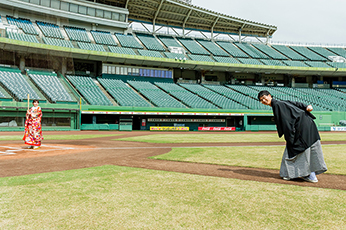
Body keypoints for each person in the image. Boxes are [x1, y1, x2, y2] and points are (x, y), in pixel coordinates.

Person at [258, 90, 327, 183]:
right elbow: (295, 103)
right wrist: (306, 106)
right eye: (261, 100)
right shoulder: (280, 102)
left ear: (269, 96)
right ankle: (306, 174)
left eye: (264, 97)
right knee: (307, 149)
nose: (263, 100)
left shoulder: (277, 105)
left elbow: (287, 123)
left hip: (301, 127)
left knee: (297, 149)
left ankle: (307, 175)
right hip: (309, 124)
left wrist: (290, 138)